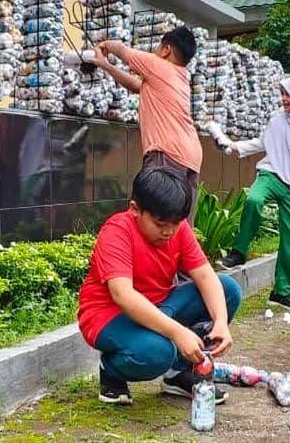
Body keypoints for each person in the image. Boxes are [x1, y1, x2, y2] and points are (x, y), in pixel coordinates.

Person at [77, 167, 242, 405]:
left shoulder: (177, 229)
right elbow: (123, 295)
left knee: (228, 290)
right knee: (159, 352)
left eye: (176, 223)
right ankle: (111, 370)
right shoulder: (117, 231)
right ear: (135, 209)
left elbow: (206, 275)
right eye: (160, 223)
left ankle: (177, 375)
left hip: (159, 305)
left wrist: (220, 323)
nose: (169, 231)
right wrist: (178, 332)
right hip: (109, 316)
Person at [215, 73, 290, 310]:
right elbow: (262, 143)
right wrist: (234, 146)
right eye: (282, 94)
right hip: (271, 174)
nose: (283, 99)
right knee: (254, 200)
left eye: (288, 94)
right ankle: (239, 251)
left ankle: (280, 292)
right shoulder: (278, 119)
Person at [93, 27, 201, 219]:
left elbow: (123, 51)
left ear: (166, 49)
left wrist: (104, 45)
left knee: (150, 216)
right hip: (191, 156)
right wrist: (106, 66)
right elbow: (137, 86)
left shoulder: (159, 66)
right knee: (178, 223)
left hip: (167, 152)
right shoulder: (180, 76)